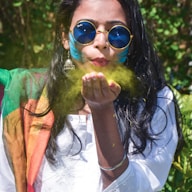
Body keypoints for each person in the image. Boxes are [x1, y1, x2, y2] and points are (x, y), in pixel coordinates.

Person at [0, 0, 182, 191]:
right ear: (64, 36)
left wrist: (102, 110)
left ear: (131, 43)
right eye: (85, 30)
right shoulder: (28, 98)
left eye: (117, 34)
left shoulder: (154, 102)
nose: (101, 43)